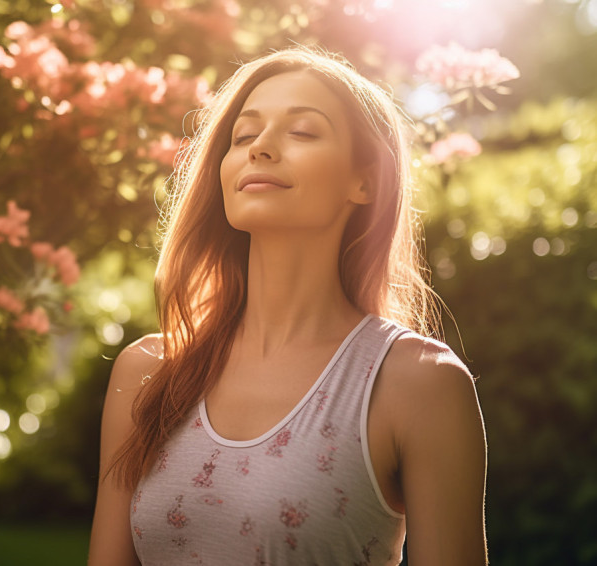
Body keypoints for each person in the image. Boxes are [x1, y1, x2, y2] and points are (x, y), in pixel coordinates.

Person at [88, 46, 487, 566]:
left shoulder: (418, 384)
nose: (261, 149)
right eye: (244, 135)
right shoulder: (147, 373)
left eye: (302, 131)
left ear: (363, 180)